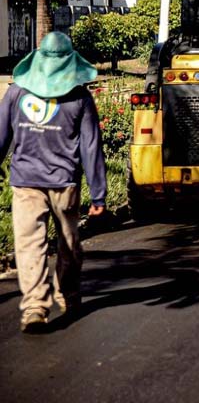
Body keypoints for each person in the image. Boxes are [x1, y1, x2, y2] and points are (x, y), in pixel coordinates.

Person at [0, 32, 106, 333]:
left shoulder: (17, 92)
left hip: (42, 182)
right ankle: (46, 303)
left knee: (38, 246)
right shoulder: (79, 97)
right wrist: (98, 197)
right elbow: (91, 148)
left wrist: (99, 196)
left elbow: (0, 138)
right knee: (62, 244)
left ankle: (53, 301)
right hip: (48, 184)